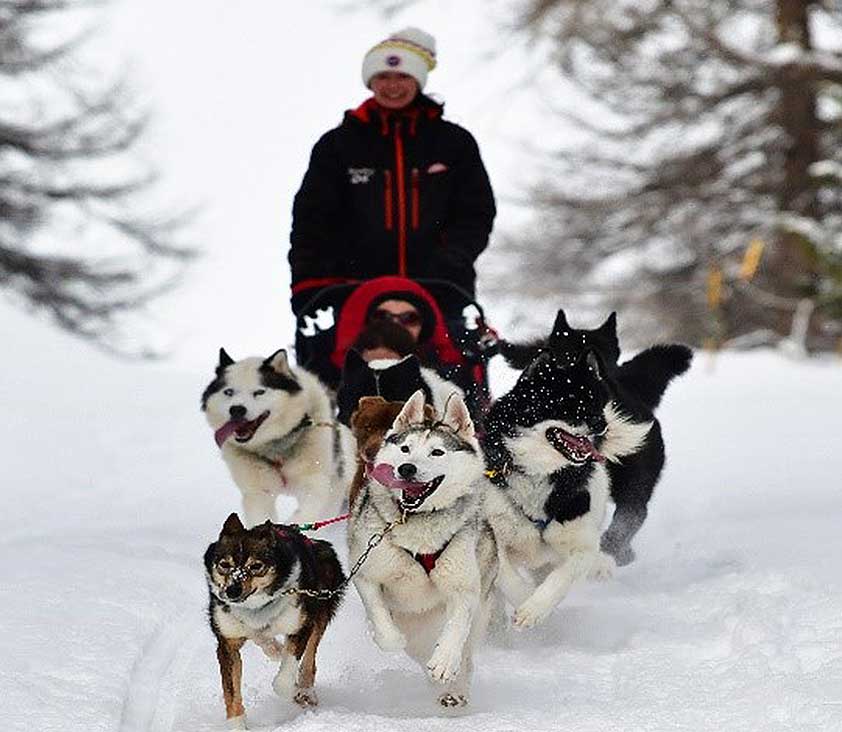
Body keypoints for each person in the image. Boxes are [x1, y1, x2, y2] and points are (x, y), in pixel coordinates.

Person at [289, 26, 496, 319]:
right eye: (383, 77)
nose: (393, 86)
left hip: (440, 290)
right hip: (352, 293)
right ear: (370, 82)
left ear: (419, 80)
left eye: (403, 77)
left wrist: (451, 261)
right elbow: (312, 222)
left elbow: (475, 213)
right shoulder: (337, 146)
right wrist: (310, 285)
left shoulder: (454, 143)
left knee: (447, 364)